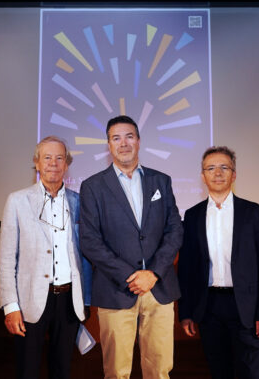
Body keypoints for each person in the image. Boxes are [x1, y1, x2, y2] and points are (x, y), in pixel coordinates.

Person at [80, 115, 183, 379]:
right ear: (108, 145)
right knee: (116, 372)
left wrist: (152, 273)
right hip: (116, 290)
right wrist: (131, 277)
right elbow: (90, 240)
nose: (123, 143)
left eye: (129, 136)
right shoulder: (92, 187)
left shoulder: (161, 181)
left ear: (138, 141)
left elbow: (175, 230)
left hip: (158, 288)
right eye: (116, 138)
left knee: (159, 371)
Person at [177, 146, 259, 379]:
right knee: (219, 371)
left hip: (247, 307)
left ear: (234, 174)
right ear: (203, 176)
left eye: (224, 167)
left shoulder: (253, 213)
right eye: (211, 168)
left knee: (251, 373)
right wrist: (186, 312)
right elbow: (186, 269)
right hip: (208, 307)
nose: (218, 173)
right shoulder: (192, 216)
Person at [0, 136, 92, 379]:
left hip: (69, 300)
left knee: (62, 370)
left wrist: (86, 299)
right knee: (27, 370)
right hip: (30, 301)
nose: (53, 163)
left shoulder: (78, 202)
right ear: (37, 163)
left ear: (66, 165)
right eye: (47, 158)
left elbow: (85, 255)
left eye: (59, 158)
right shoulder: (17, 201)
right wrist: (10, 306)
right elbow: (7, 259)